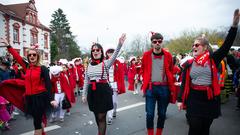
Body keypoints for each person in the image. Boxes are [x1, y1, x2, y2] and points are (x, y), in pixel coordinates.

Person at [177, 9, 239, 135]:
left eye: (197, 45)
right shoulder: (189, 63)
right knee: (194, 128)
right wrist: (179, 99)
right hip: (193, 99)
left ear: (205, 47)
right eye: (193, 45)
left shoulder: (213, 60)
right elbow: (184, 83)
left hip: (209, 100)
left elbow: (226, 46)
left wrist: (234, 26)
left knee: (205, 130)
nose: (194, 47)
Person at [0, 38, 58, 135]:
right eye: (30, 55)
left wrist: (52, 99)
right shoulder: (27, 67)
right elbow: (17, 57)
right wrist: (8, 46)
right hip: (30, 99)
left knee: (37, 123)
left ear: (37, 56)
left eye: (34, 54)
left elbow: (48, 84)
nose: (31, 56)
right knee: (37, 121)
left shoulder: (43, 69)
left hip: (40, 98)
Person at [82, 34, 126, 135]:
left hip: (103, 91)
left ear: (101, 52)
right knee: (97, 116)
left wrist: (119, 44)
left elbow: (115, 55)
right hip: (92, 93)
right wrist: (84, 95)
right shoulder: (88, 66)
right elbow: (86, 81)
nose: (95, 52)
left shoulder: (106, 63)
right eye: (93, 50)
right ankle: (100, 131)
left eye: (98, 50)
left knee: (102, 117)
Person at [141, 32, 176, 135]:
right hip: (151, 88)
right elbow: (142, 69)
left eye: (159, 41)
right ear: (151, 43)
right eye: (155, 42)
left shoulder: (168, 55)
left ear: (162, 42)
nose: (157, 43)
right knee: (150, 114)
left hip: (164, 89)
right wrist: (145, 79)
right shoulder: (146, 55)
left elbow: (170, 69)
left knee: (162, 113)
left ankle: (158, 133)